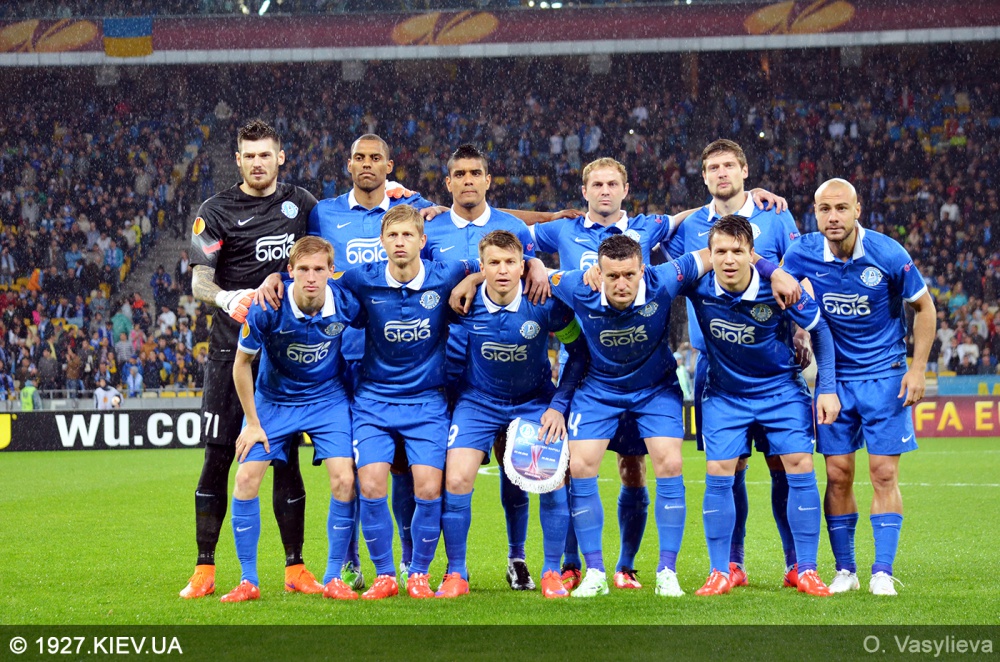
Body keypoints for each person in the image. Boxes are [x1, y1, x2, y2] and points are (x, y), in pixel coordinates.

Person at [528, 155, 787, 591]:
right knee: (579, 466)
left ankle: (661, 570)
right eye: (597, 184)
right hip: (595, 381)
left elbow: (715, 249)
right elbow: (513, 254)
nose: (622, 282)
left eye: (613, 184)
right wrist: (534, 264)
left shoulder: (662, 269)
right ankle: (590, 570)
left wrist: (767, 258)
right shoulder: (572, 274)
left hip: (653, 387)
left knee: (662, 463)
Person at [180, 119, 323, 600]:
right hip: (230, 352)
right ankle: (204, 568)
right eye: (250, 155)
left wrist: (401, 195)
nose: (258, 162)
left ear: (280, 157)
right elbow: (200, 280)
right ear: (238, 160)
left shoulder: (303, 205)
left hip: (286, 355)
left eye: (266, 154)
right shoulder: (215, 210)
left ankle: (295, 567)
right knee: (218, 456)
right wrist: (227, 298)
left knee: (286, 459)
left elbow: (339, 238)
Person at [780, 178, 936, 596]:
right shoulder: (801, 253)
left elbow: (924, 308)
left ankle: (882, 571)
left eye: (841, 208)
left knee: (883, 473)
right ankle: (845, 569)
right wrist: (797, 333)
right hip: (834, 381)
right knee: (837, 474)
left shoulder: (888, 253)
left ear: (857, 210)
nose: (833, 217)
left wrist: (918, 368)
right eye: (824, 209)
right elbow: (777, 289)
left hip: (885, 376)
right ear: (815, 213)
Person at [666, 139, 804, 588]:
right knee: (730, 466)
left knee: (784, 465)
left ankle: (794, 563)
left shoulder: (775, 215)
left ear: (745, 171)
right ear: (704, 176)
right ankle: (733, 564)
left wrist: (802, 331)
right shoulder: (690, 226)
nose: (721, 173)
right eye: (713, 167)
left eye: (729, 165)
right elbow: (661, 257)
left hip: (773, 360)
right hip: (716, 362)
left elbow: (800, 275)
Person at [305, 133, 440, 590]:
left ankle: (408, 558)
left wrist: (537, 256)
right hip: (341, 359)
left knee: (403, 468)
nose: (367, 164)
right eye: (359, 157)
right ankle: (350, 562)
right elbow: (306, 263)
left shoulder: (413, 208)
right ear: (348, 164)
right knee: (353, 470)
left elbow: (469, 218)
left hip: (400, 361)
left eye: (375, 158)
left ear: (389, 165)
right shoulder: (323, 213)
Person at [679, 214, 837, 597]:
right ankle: (722, 570)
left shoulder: (779, 287)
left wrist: (827, 388)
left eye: (737, 251)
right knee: (720, 471)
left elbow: (819, 330)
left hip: (780, 391)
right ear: (709, 254)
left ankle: (805, 569)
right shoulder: (697, 285)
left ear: (752, 253)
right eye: (720, 251)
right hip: (725, 394)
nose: (728, 259)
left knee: (798, 465)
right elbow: (648, 280)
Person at [423, 144, 552, 590]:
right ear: (448, 182)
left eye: (474, 173)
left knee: (514, 467)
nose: (467, 181)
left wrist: (534, 263)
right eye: (459, 174)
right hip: (448, 370)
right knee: (430, 469)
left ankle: (518, 558)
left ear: (487, 179)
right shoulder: (430, 227)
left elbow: (523, 269)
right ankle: (428, 563)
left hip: (508, 367)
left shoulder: (512, 227)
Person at [336, 204, 476, 600]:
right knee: (370, 484)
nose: (400, 242)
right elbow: (313, 276)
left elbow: (493, 263)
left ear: (422, 240)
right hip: (374, 400)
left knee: (429, 489)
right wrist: (274, 279)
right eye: (393, 236)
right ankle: (384, 575)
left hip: (427, 402)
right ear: (381, 242)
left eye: (408, 235)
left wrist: (478, 277)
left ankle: (418, 574)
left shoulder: (446, 273)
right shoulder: (360, 278)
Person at [437, 230, 587, 600]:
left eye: (510, 262)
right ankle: (456, 572)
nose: (502, 270)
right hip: (478, 402)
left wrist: (558, 406)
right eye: (494, 263)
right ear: (481, 267)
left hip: (534, 401)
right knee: (456, 479)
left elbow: (580, 352)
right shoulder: (463, 302)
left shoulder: (545, 302)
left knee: (551, 480)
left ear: (523, 266)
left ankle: (551, 571)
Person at [219, 237, 362, 603]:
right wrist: (253, 423)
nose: (311, 277)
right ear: (290, 272)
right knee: (245, 479)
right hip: (274, 401)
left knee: (345, 480)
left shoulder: (346, 301)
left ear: (332, 271)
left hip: (327, 399)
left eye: (319, 269)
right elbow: (241, 364)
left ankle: (334, 577)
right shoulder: (267, 307)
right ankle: (248, 580)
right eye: (303, 270)